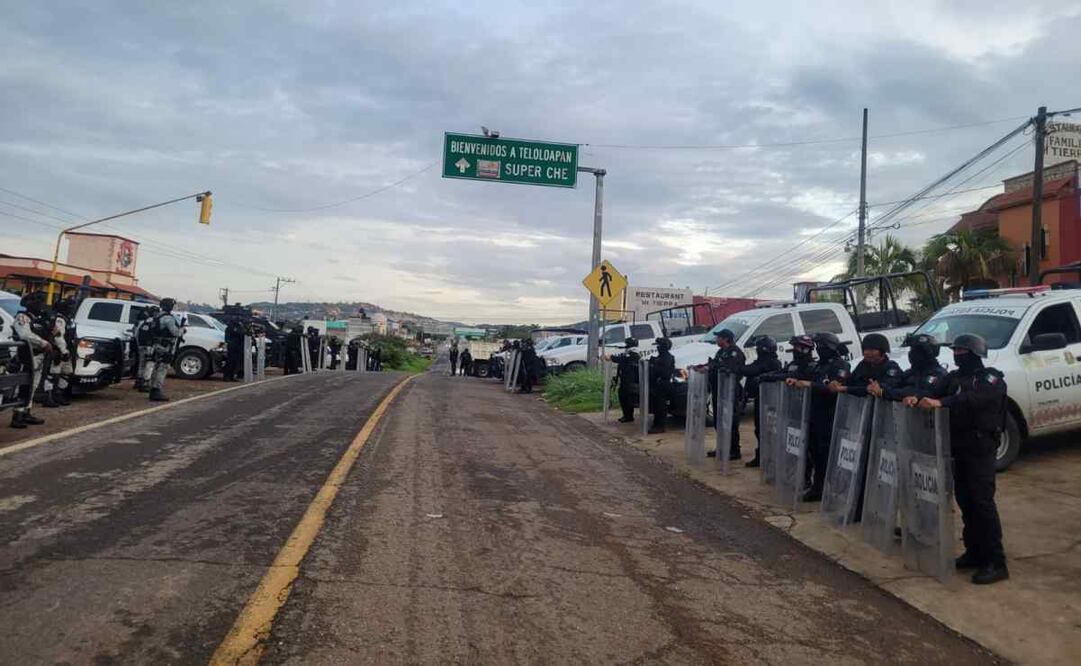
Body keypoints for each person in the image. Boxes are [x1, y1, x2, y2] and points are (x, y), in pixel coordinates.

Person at [917, 333, 1009, 585]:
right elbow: (932, 389)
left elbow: (974, 400)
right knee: (966, 500)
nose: (957, 355)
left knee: (982, 502)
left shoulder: (990, 378)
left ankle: (995, 561)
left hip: (981, 447)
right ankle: (975, 552)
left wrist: (941, 402)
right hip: (958, 447)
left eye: (962, 351)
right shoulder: (954, 377)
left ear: (975, 353)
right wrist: (914, 396)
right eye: (955, 351)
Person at [786, 332, 850, 502]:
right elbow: (810, 380)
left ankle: (831, 488)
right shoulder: (818, 366)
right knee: (815, 452)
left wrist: (811, 385)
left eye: (820, 346)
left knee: (828, 453)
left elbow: (833, 388)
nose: (818, 349)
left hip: (831, 415)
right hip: (814, 413)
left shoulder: (840, 365)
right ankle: (818, 487)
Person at [9, 292, 52, 429]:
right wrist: (43, 343)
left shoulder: (38, 319)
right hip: (27, 356)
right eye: (38, 302)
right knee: (23, 387)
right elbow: (25, 335)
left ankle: (27, 412)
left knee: (32, 386)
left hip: (39, 356)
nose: (41, 305)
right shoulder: (22, 317)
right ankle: (17, 416)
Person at [742, 336, 783, 468]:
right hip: (760, 399)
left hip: (771, 402)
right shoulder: (761, 361)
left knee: (769, 430)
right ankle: (761, 456)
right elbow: (750, 369)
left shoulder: (772, 363)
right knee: (759, 430)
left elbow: (753, 370)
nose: (757, 350)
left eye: (759, 348)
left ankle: (771, 458)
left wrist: (738, 369)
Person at [704, 328, 745, 460]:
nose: (716, 339)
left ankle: (734, 450)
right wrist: (704, 367)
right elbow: (714, 364)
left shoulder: (735, 352)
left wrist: (715, 367)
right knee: (719, 421)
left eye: (719, 337)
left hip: (730, 391)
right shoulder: (721, 352)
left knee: (731, 421)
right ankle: (722, 447)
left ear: (726, 339)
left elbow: (731, 369)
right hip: (718, 390)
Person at [829, 333, 902, 399]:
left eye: (872, 350)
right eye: (865, 349)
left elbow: (881, 387)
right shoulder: (863, 365)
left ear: (882, 352)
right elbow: (851, 380)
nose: (867, 353)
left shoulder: (891, 367)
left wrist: (845, 388)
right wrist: (838, 383)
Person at [885, 333, 948, 402]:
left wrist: (887, 393)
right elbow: (894, 383)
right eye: (912, 349)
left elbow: (920, 393)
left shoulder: (937, 374)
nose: (912, 353)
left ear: (928, 353)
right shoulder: (910, 372)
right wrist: (881, 389)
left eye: (918, 350)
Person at [41, 298, 76, 408]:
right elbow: (58, 337)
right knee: (53, 374)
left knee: (66, 372)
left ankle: (58, 394)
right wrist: (63, 351)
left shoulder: (68, 319)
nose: (72, 308)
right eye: (69, 306)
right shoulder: (59, 319)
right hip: (58, 351)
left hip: (67, 350)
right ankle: (48, 397)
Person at [147, 298, 181, 401]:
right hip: (165, 346)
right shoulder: (168, 318)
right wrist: (182, 329)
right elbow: (176, 333)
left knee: (156, 367)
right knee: (162, 368)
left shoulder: (157, 316)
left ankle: (152, 389)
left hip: (156, 344)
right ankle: (156, 390)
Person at [648, 337, 676, 434]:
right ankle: (656, 424)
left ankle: (660, 426)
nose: (657, 348)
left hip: (663, 384)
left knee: (660, 406)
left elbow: (663, 372)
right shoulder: (660, 357)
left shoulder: (667, 357)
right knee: (656, 405)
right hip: (658, 384)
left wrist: (653, 365)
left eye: (659, 345)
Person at [610, 337, 641, 423]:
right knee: (624, 397)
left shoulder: (633, 354)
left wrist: (611, 357)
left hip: (630, 381)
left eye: (627, 344)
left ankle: (628, 416)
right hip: (625, 379)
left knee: (626, 398)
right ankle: (627, 415)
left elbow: (622, 359)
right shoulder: (629, 353)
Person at [132, 305, 159, 391]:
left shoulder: (142, 322)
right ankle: (145, 383)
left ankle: (138, 381)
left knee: (141, 363)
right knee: (150, 364)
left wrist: (138, 344)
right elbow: (154, 335)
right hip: (149, 346)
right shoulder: (154, 322)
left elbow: (136, 334)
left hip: (141, 345)